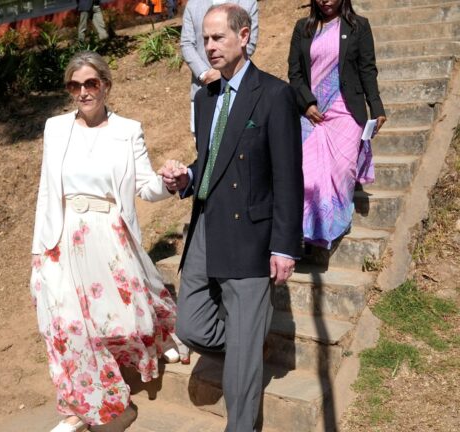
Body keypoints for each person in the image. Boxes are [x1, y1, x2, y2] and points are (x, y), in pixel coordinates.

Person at [161, 4, 303, 431]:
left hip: (251, 235)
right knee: (190, 322)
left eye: (218, 38)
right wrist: (185, 176)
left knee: (241, 364)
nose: (209, 47)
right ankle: (245, 339)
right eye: (204, 39)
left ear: (244, 36)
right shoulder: (205, 100)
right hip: (207, 225)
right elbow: (210, 163)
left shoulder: (275, 94)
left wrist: (283, 246)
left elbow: (287, 177)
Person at [30, 51, 179, 432]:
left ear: (106, 86)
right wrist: (38, 252)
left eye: (91, 83)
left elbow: (146, 186)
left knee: (123, 320)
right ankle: (88, 405)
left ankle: (160, 336)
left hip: (109, 234)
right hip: (64, 237)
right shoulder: (55, 128)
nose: (83, 92)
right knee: (65, 325)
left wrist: (169, 181)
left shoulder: (128, 129)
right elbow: (47, 193)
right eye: (75, 85)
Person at [288, 0, 386, 249]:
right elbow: (295, 73)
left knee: (342, 170)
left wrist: (376, 107)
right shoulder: (303, 28)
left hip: (346, 112)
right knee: (307, 173)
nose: (325, 0)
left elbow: (367, 69)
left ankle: (333, 225)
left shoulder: (358, 26)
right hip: (313, 114)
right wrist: (307, 103)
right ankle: (309, 231)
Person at [181, 0, 258, 135]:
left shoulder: (247, 2)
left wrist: (222, 73)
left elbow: (249, 42)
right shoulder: (193, 4)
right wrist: (205, 74)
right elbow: (186, 43)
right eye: (207, 39)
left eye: (218, 37)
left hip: (239, 89)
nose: (210, 46)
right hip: (204, 87)